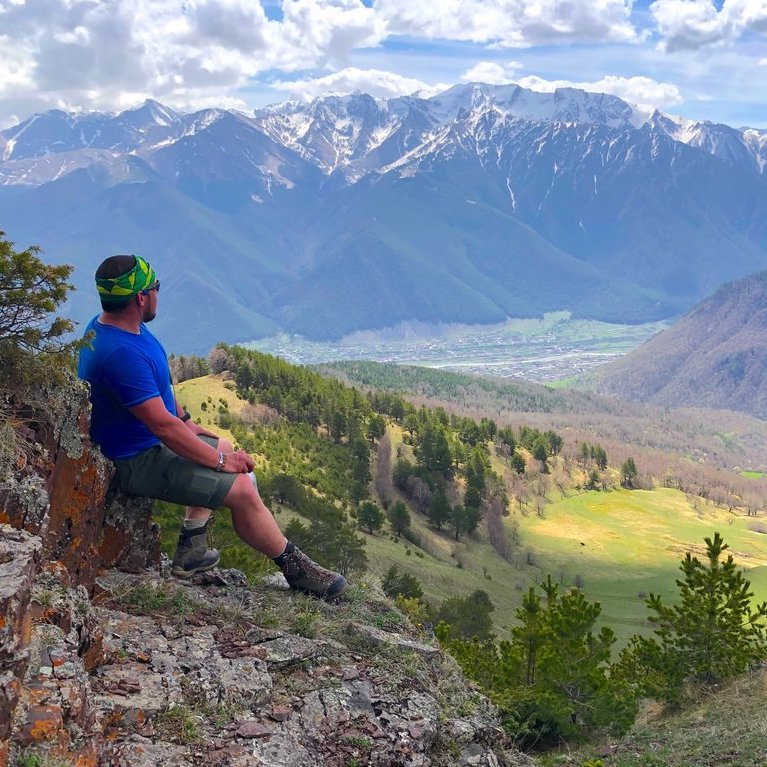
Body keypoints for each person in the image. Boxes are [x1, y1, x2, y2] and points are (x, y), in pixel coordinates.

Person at [77, 254, 347, 599]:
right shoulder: (120, 354)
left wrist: (191, 426)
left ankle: (192, 550)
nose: (159, 293)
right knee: (243, 488)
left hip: (144, 441)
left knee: (229, 451)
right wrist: (219, 463)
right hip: (134, 460)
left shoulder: (117, 327)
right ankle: (297, 570)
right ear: (140, 297)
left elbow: (155, 392)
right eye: (155, 287)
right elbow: (162, 426)